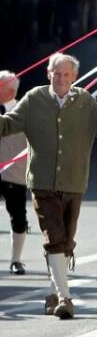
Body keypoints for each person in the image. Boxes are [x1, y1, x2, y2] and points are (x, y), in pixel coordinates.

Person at [0, 53, 97, 319]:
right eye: (56, 74)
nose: (60, 79)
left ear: (74, 77)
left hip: (74, 181)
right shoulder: (35, 98)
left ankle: (53, 292)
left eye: (66, 75)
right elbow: (8, 125)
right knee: (54, 238)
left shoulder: (84, 101)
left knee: (66, 242)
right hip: (42, 183)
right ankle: (66, 298)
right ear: (48, 74)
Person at [0, 71, 29, 275]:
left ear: (10, 90)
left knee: (18, 217)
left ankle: (15, 260)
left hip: (15, 172)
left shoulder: (24, 111)